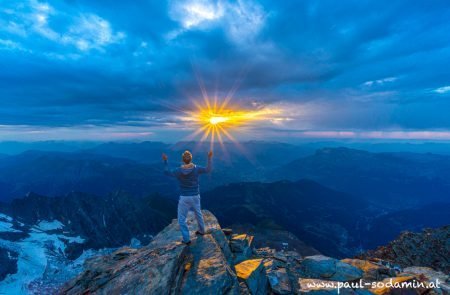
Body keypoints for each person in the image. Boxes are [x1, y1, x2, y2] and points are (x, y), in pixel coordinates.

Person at [162, 150, 213, 245]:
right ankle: (202, 231)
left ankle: (186, 239)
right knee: (198, 214)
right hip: (195, 196)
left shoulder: (178, 171)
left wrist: (165, 161)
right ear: (191, 159)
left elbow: (166, 172)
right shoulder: (197, 168)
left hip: (184, 197)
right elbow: (208, 169)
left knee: (181, 219)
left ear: (182, 160)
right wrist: (209, 158)